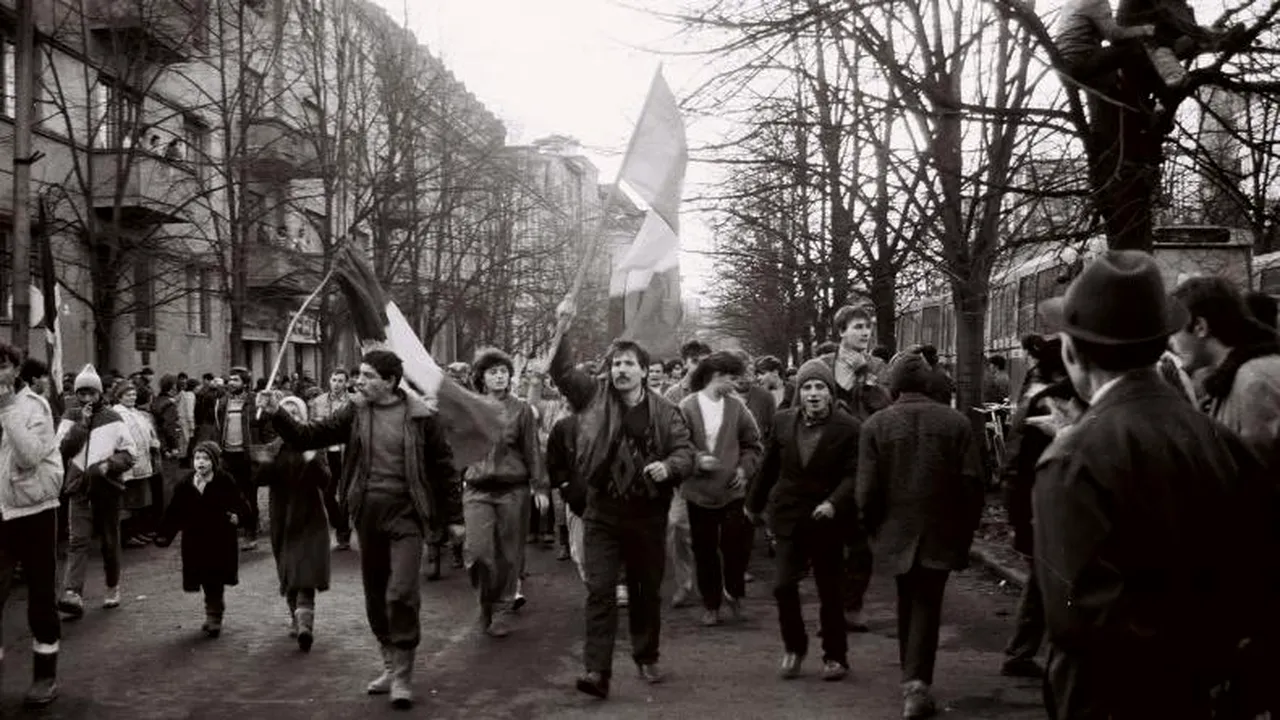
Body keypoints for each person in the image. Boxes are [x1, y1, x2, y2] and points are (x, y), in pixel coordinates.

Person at [1036, 251, 1269, 719]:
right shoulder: (1215, 436)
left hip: (1110, 697)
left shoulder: (1073, 457)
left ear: (1072, 352)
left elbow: (1073, 611)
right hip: (1203, 692)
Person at [261, 350, 459, 710]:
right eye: (360, 375)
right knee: (375, 594)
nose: (359, 381)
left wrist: (454, 518)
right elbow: (309, 436)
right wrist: (276, 413)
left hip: (407, 513)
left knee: (401, 592)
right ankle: (389, 663)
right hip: (368, 513)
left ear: (389, 382)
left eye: (368, 376)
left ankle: (403, 675)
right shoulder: (355, 412)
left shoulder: (421, 416)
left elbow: (444, 467)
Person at [550, 301, 695, 701]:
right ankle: (597, 671)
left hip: (648, 514)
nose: (621, 370)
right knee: (599, 590)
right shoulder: (594, 400)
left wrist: (670, 467)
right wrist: (562, 328)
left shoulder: (666, 412)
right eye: (616, 364)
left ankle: (646, 654)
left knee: (646, 589)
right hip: (602, 512)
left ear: (645, 371)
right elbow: (561, 373)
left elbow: (687, 452)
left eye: (629, 364)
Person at [857, 353, 984, 719]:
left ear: (893, 385)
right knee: (927, 601)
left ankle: (910, 678)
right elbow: (973, 483)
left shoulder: (876, 426)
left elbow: (866, 492)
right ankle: (916, 683)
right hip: (940, 530)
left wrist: (872, 528)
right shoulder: (956, 423)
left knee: (906, 599)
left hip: (895, 531)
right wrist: (965, 529)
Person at [746, 359, 860, 682]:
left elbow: (854, 474)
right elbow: (768, 468)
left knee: (830, 591)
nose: (813, 394)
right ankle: (794, 647)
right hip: (789, 517)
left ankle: (835, 657)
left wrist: (834, 502)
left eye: (820, 387)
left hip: (827, 520)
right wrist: (753, 505)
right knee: (783, 586)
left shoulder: (849, 428)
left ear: (830, 392)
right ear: (799, 392)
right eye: (807, 387)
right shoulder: (783, 423)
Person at [998, 335, 1085, 679]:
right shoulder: (1052, 403)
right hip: (1036, 506)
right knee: (1045, 579)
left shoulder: (1032, 395)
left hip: (1025, 501)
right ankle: (1023, 652)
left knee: (1040, 579)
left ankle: (1021, 651)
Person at [464, 348, 546, 638]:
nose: (500, 377)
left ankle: (500, 610)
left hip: (513, 490)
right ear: (481, 377)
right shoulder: (471, 406)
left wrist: (540, 487)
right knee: (478, 552)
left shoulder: (521, 410)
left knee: (509, 555)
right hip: (477, 489)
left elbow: (532, 450)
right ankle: (485, 600)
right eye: (493, 372)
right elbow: (456, 446)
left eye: (504, 371)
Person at [678, 351, 763, 627]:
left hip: (732, 492)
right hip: (698, 493)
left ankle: (734, 594)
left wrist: (743, 470)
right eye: (732, 377)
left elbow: (753, 445)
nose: (736, 383)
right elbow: (678, 445)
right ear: (716, 376)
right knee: (704, 550)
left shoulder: (737, 408)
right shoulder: (687, 406)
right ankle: (711, 603)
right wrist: (697, 459)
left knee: (735, 547)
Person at [0, 343, 64, 707]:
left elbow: (28, 456)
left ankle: (45, 676)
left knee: (40, 596)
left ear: (16, 369)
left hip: (34, 510)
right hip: (1, 512)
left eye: (3, 366)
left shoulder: (33, 407)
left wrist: (7, 409)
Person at [1170, 276, 1280, 470]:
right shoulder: (1241, 377)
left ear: (1200, 327)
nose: (1171, 341)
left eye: (1175, 330)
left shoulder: (1253, 383)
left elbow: (1258, 479)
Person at [55, 365, 137, 619]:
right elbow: (62, 449)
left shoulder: (114, 418)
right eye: (82, 394)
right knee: (77, 541)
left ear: (100, 393)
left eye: (91, 393)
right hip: (78, 487)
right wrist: (81, 425)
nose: (87, 399)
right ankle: (73, 593)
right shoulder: (70, 416)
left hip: (107, 488)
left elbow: (130, 453)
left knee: (110, 542)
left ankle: (112, 586)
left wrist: (109, 465)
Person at [258, 396, 331, 652]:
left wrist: (311, 458)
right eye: (286, 412)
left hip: (309, 515)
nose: (290, 416)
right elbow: (259, 479)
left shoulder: (314, 445)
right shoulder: (274, 447)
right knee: (288, 569)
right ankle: (296, 617)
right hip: (282, 516)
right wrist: (265, 462)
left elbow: (325, 480)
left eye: (295, 412)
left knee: (305, 570)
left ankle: (304, 625)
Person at [154, 441, 248, 639]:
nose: (201, 463)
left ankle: (214, 615)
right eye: (197, 458)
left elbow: (239, 502)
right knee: (204, 577)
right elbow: (174, 511)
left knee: (215, 577)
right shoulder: (186, 484)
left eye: (205, 459)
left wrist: (238, 516)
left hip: (219, 539)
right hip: (195, 540)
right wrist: (165, 534)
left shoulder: (224, 481)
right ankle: (212, 609)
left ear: (213, 461)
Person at [664, 339, 711, 610]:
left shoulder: (715, 392)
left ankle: (713, 584)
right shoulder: (673, 394)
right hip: (685, 474)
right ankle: (684, 584)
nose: (699, 366)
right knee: (678, 527)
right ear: (685, 363)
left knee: (709, 532)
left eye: (704, 360)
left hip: (714, 472)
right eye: (694, 361)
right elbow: (669, 433)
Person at [309, 369, 354, 550]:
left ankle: (344, 534)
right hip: (326, 454)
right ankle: (339, 524)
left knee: (346, 494)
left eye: (340, 381)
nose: (336, 384)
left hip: (346, 452)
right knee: (328, 495)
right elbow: (312, 426)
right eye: (334, 380)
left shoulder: (353, 402)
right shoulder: (318, 402)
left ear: (346, 383)